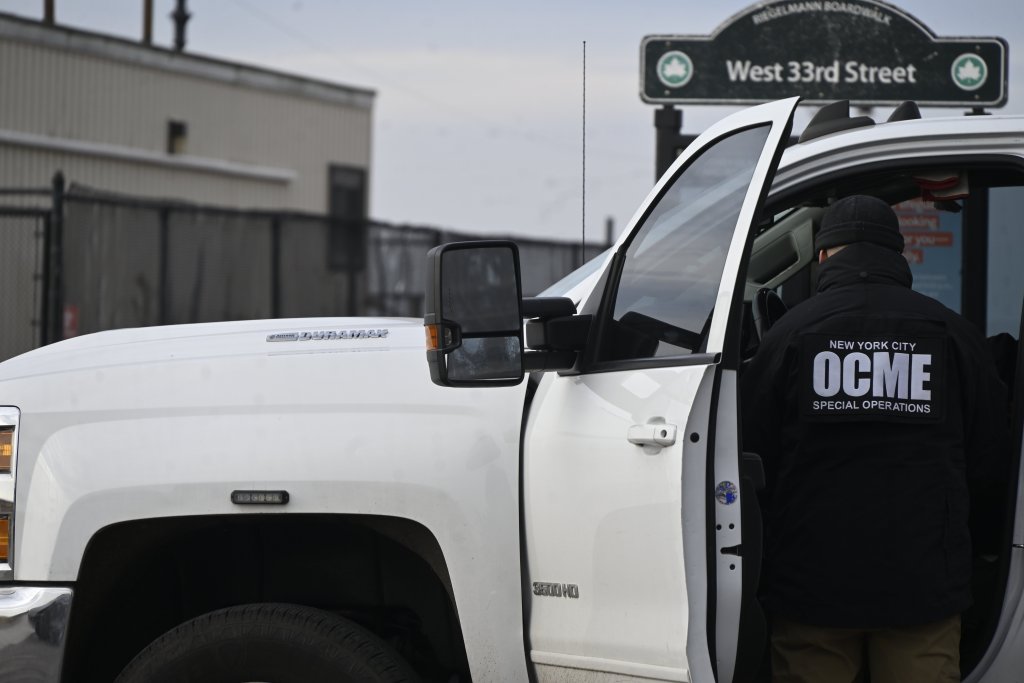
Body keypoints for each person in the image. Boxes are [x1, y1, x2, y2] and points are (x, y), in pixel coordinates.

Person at [740, 195, 1010, 683]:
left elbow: (752, 460)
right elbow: (991, 462)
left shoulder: (789, 335)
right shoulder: (954, 334)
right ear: (898, 256)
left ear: (823, 256)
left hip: (811, 589)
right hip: (923, 588)